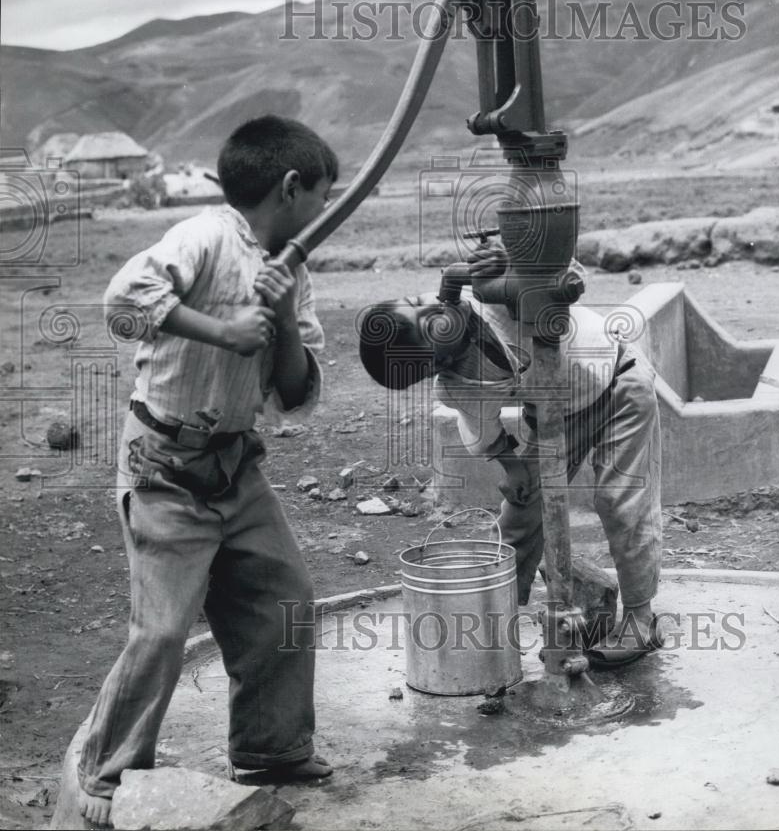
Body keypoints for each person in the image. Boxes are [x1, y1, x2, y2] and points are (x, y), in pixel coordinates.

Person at [77, 115, 337, 828]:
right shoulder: (203, 238)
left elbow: (293, 393)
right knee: (161, 631)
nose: (323, 208)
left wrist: (282, 316)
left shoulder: (295, 268)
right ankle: (109, 772)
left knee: (283, 595)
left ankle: (271, 749)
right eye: (321, 194)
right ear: (290, 187)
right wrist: (224, 329)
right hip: (163, 464)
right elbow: (124, 302)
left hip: (235, 465)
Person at [359, 245, 662, 669]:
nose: (431, 303)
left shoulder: (492, 295)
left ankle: (640, 618)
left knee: (620, 500)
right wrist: (514, 466)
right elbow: (482, 426)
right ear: (437, 362)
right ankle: (496, 626)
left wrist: (515, 265)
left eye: (417, 301)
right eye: (427, 322)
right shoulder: (456, 385)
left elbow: (570, 279)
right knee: (519, 515)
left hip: (618, 381)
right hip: (560, 416)